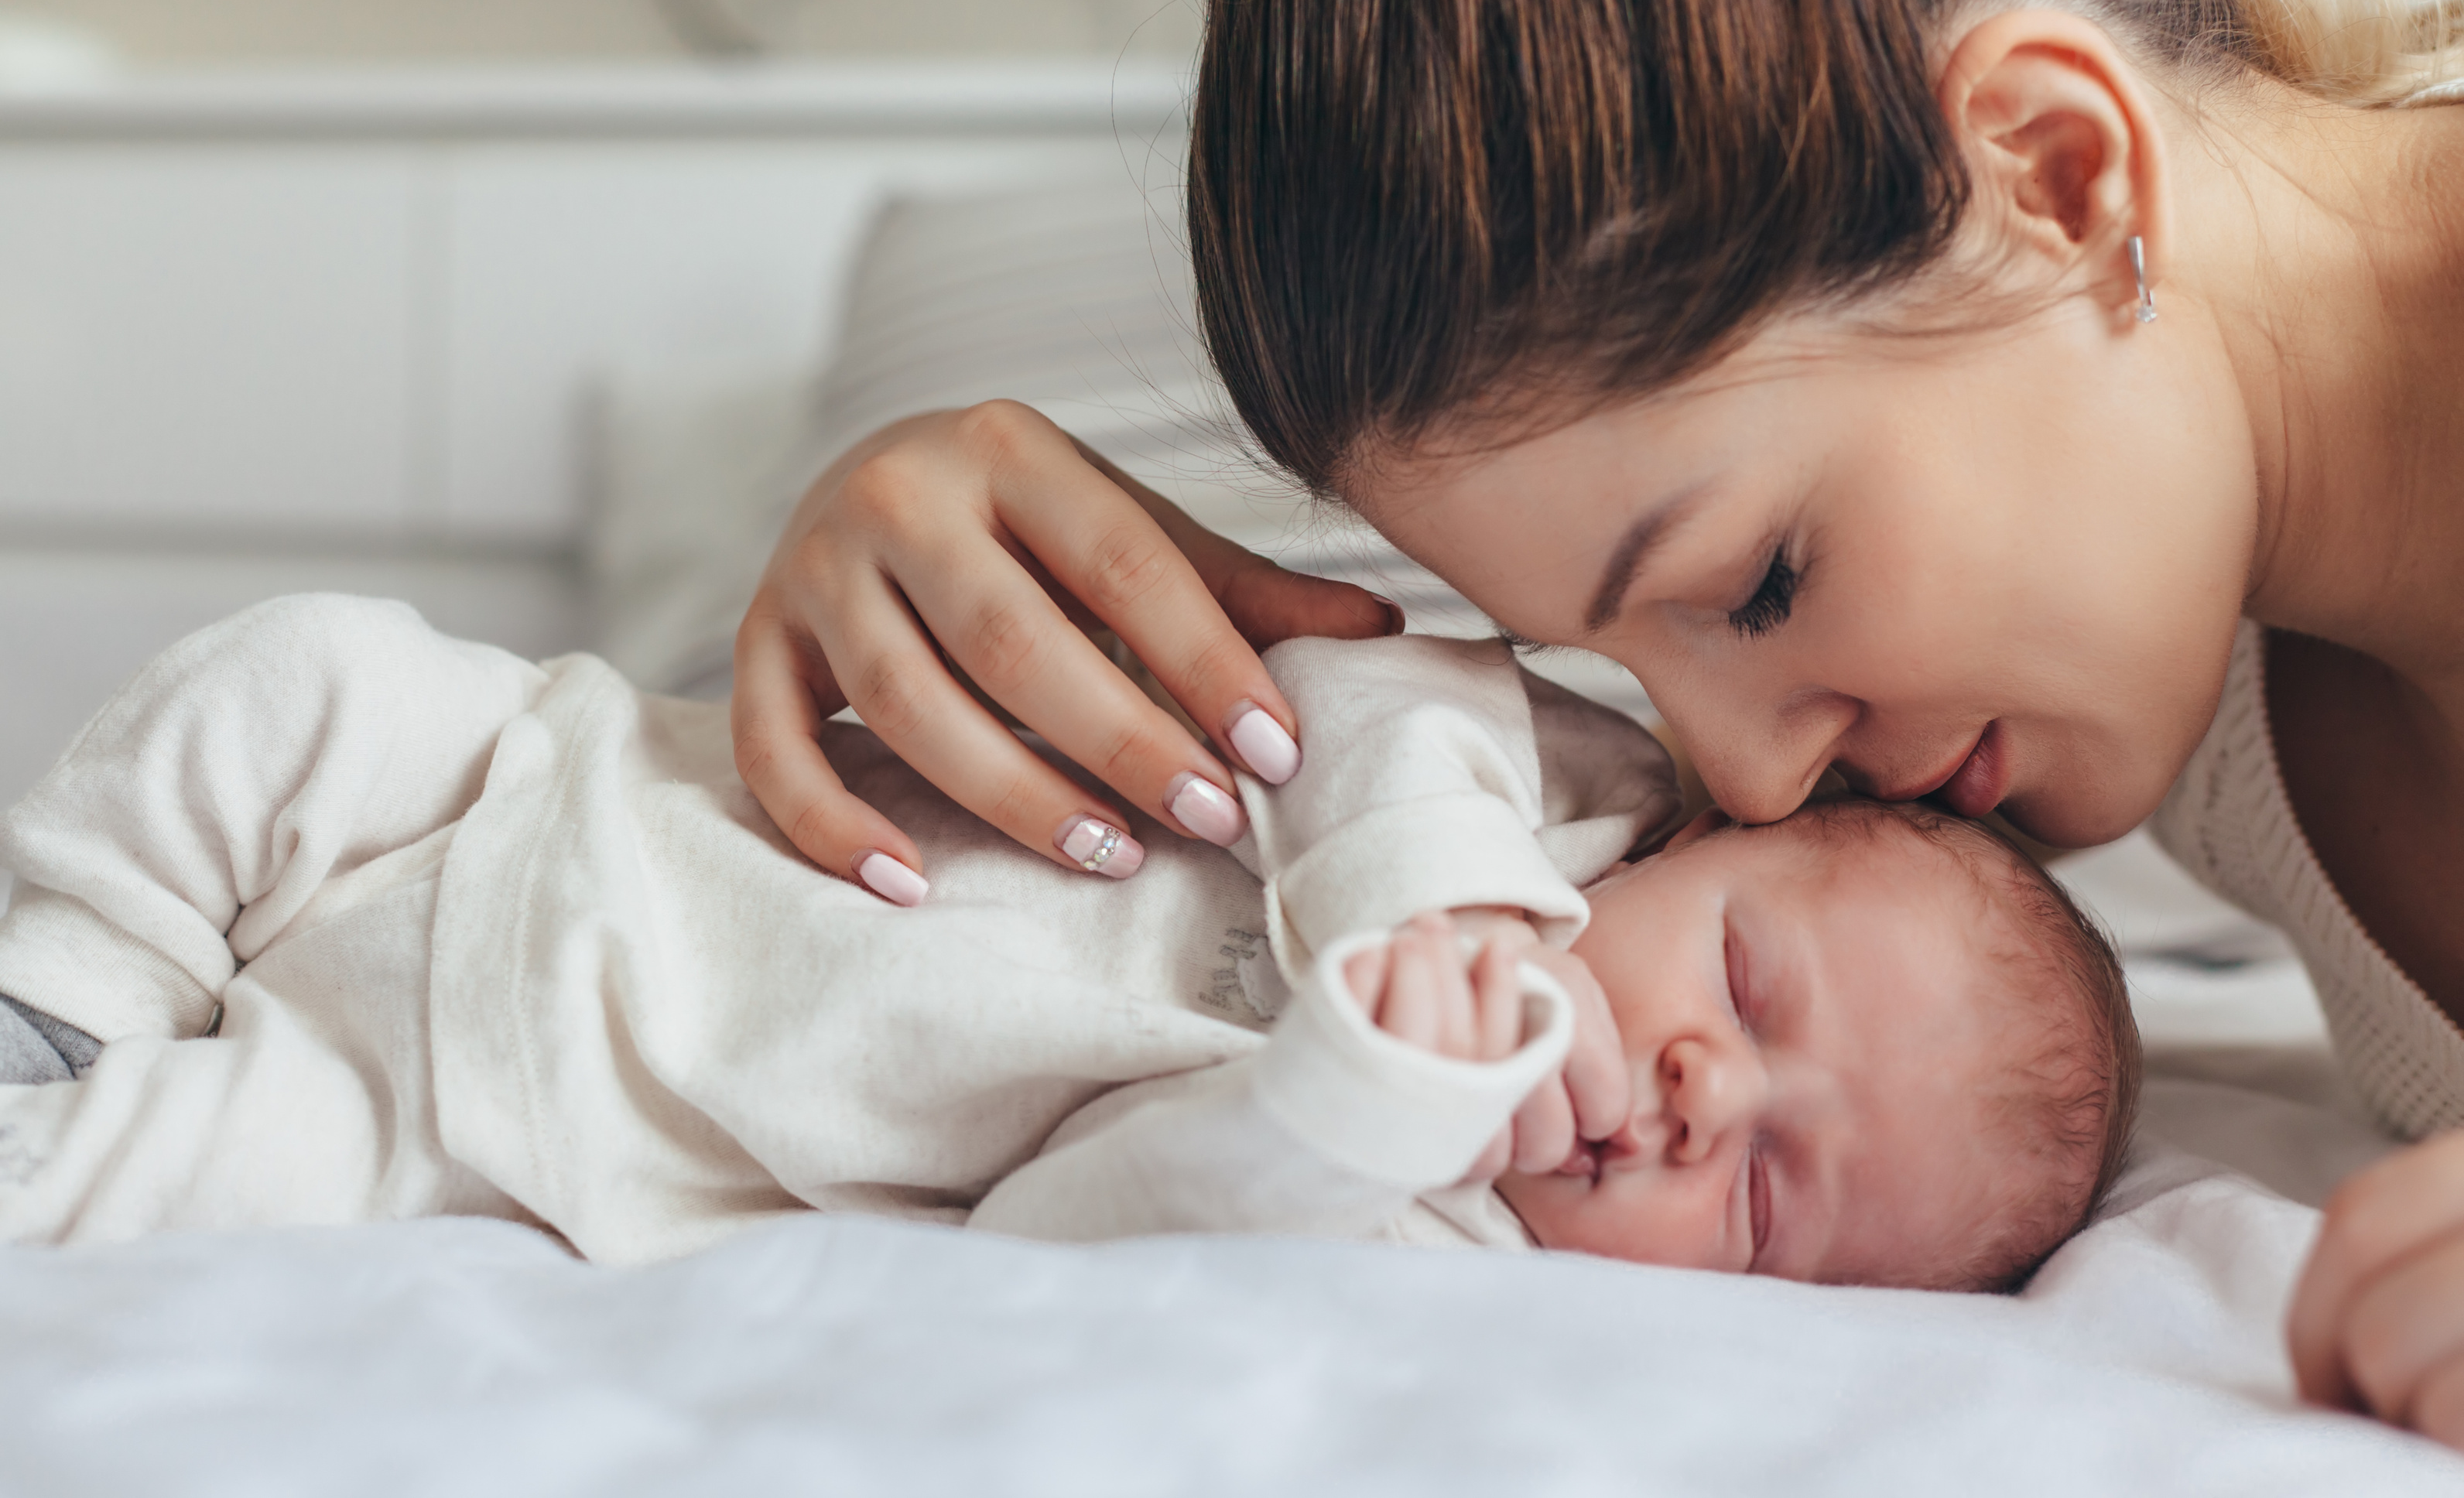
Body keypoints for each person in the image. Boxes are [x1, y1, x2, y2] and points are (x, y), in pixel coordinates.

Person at [725, 0, 2464, 1452]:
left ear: (2054, 171)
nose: (1754, 779)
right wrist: (948, 529)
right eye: (1622, 661)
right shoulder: (2187, 625)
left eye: (1761, 582)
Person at [0, 596, 2132, 1288]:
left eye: (1767, 1195)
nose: (1697, 1093)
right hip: (539, 779)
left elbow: (1080, 1225)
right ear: (1700, 838)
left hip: (517, 1118)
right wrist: (1436, 897)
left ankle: (63, 1099)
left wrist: (1359, 1100)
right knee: (294, 670)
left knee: (138, 1200)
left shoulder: (1429, 1247)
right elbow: (1335, 678)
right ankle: (69, 981)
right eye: (1750, 993)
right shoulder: (1535, 787)